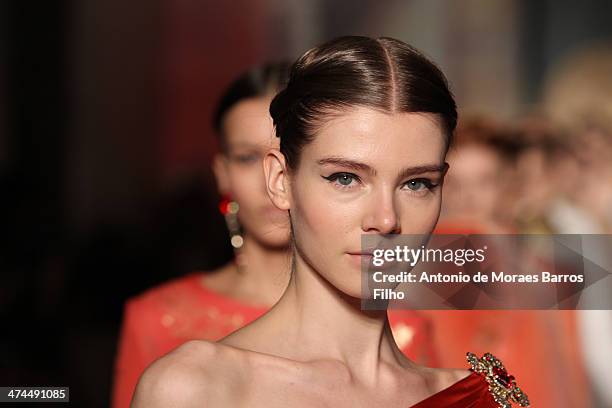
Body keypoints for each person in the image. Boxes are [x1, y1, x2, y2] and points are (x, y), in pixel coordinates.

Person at [132, 36, 529, 407]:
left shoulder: (477, 396)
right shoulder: (198, 389)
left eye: (417, 184)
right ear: (280, 182)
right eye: (346, 178)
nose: (386, 220)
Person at [112, 61, 437, 408]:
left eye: (417, 183)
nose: (265, 187)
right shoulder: (161, 321)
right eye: (247, 158)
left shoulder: (407, 327)